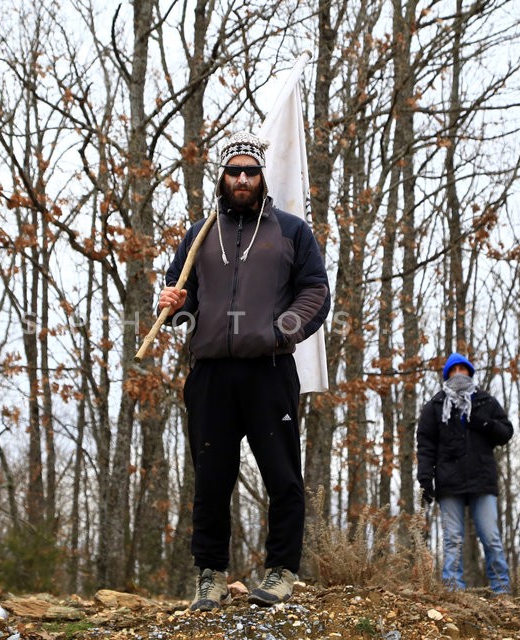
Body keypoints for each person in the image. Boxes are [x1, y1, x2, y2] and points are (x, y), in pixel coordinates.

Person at [157, 130, 331, 611]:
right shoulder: (199, 234)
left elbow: (315, 290)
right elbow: (182, 296)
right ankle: (210, 575)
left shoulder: (291, 231)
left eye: (249, 171)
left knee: (282, 474)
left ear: (261, 177)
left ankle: (281, 572)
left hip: (269, 370)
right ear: (222, 176)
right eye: (233, 171)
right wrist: (175, 306)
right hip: (210, 372)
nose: (241, 178)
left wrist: (280, 332)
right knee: (211, 477)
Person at [416, 353, 514, 594]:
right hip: (450, 482)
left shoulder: (485, 402)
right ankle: (453, 591)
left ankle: (502, 591)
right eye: (454, 369)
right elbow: (425, 445)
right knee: (452, 541)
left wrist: (484, 423)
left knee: (491, 538)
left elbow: (506, 432)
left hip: (482, 480)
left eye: (463, 368)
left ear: (470, 372)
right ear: (447, 374)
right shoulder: (435, 406)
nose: (459, 373)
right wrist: (425, 479)